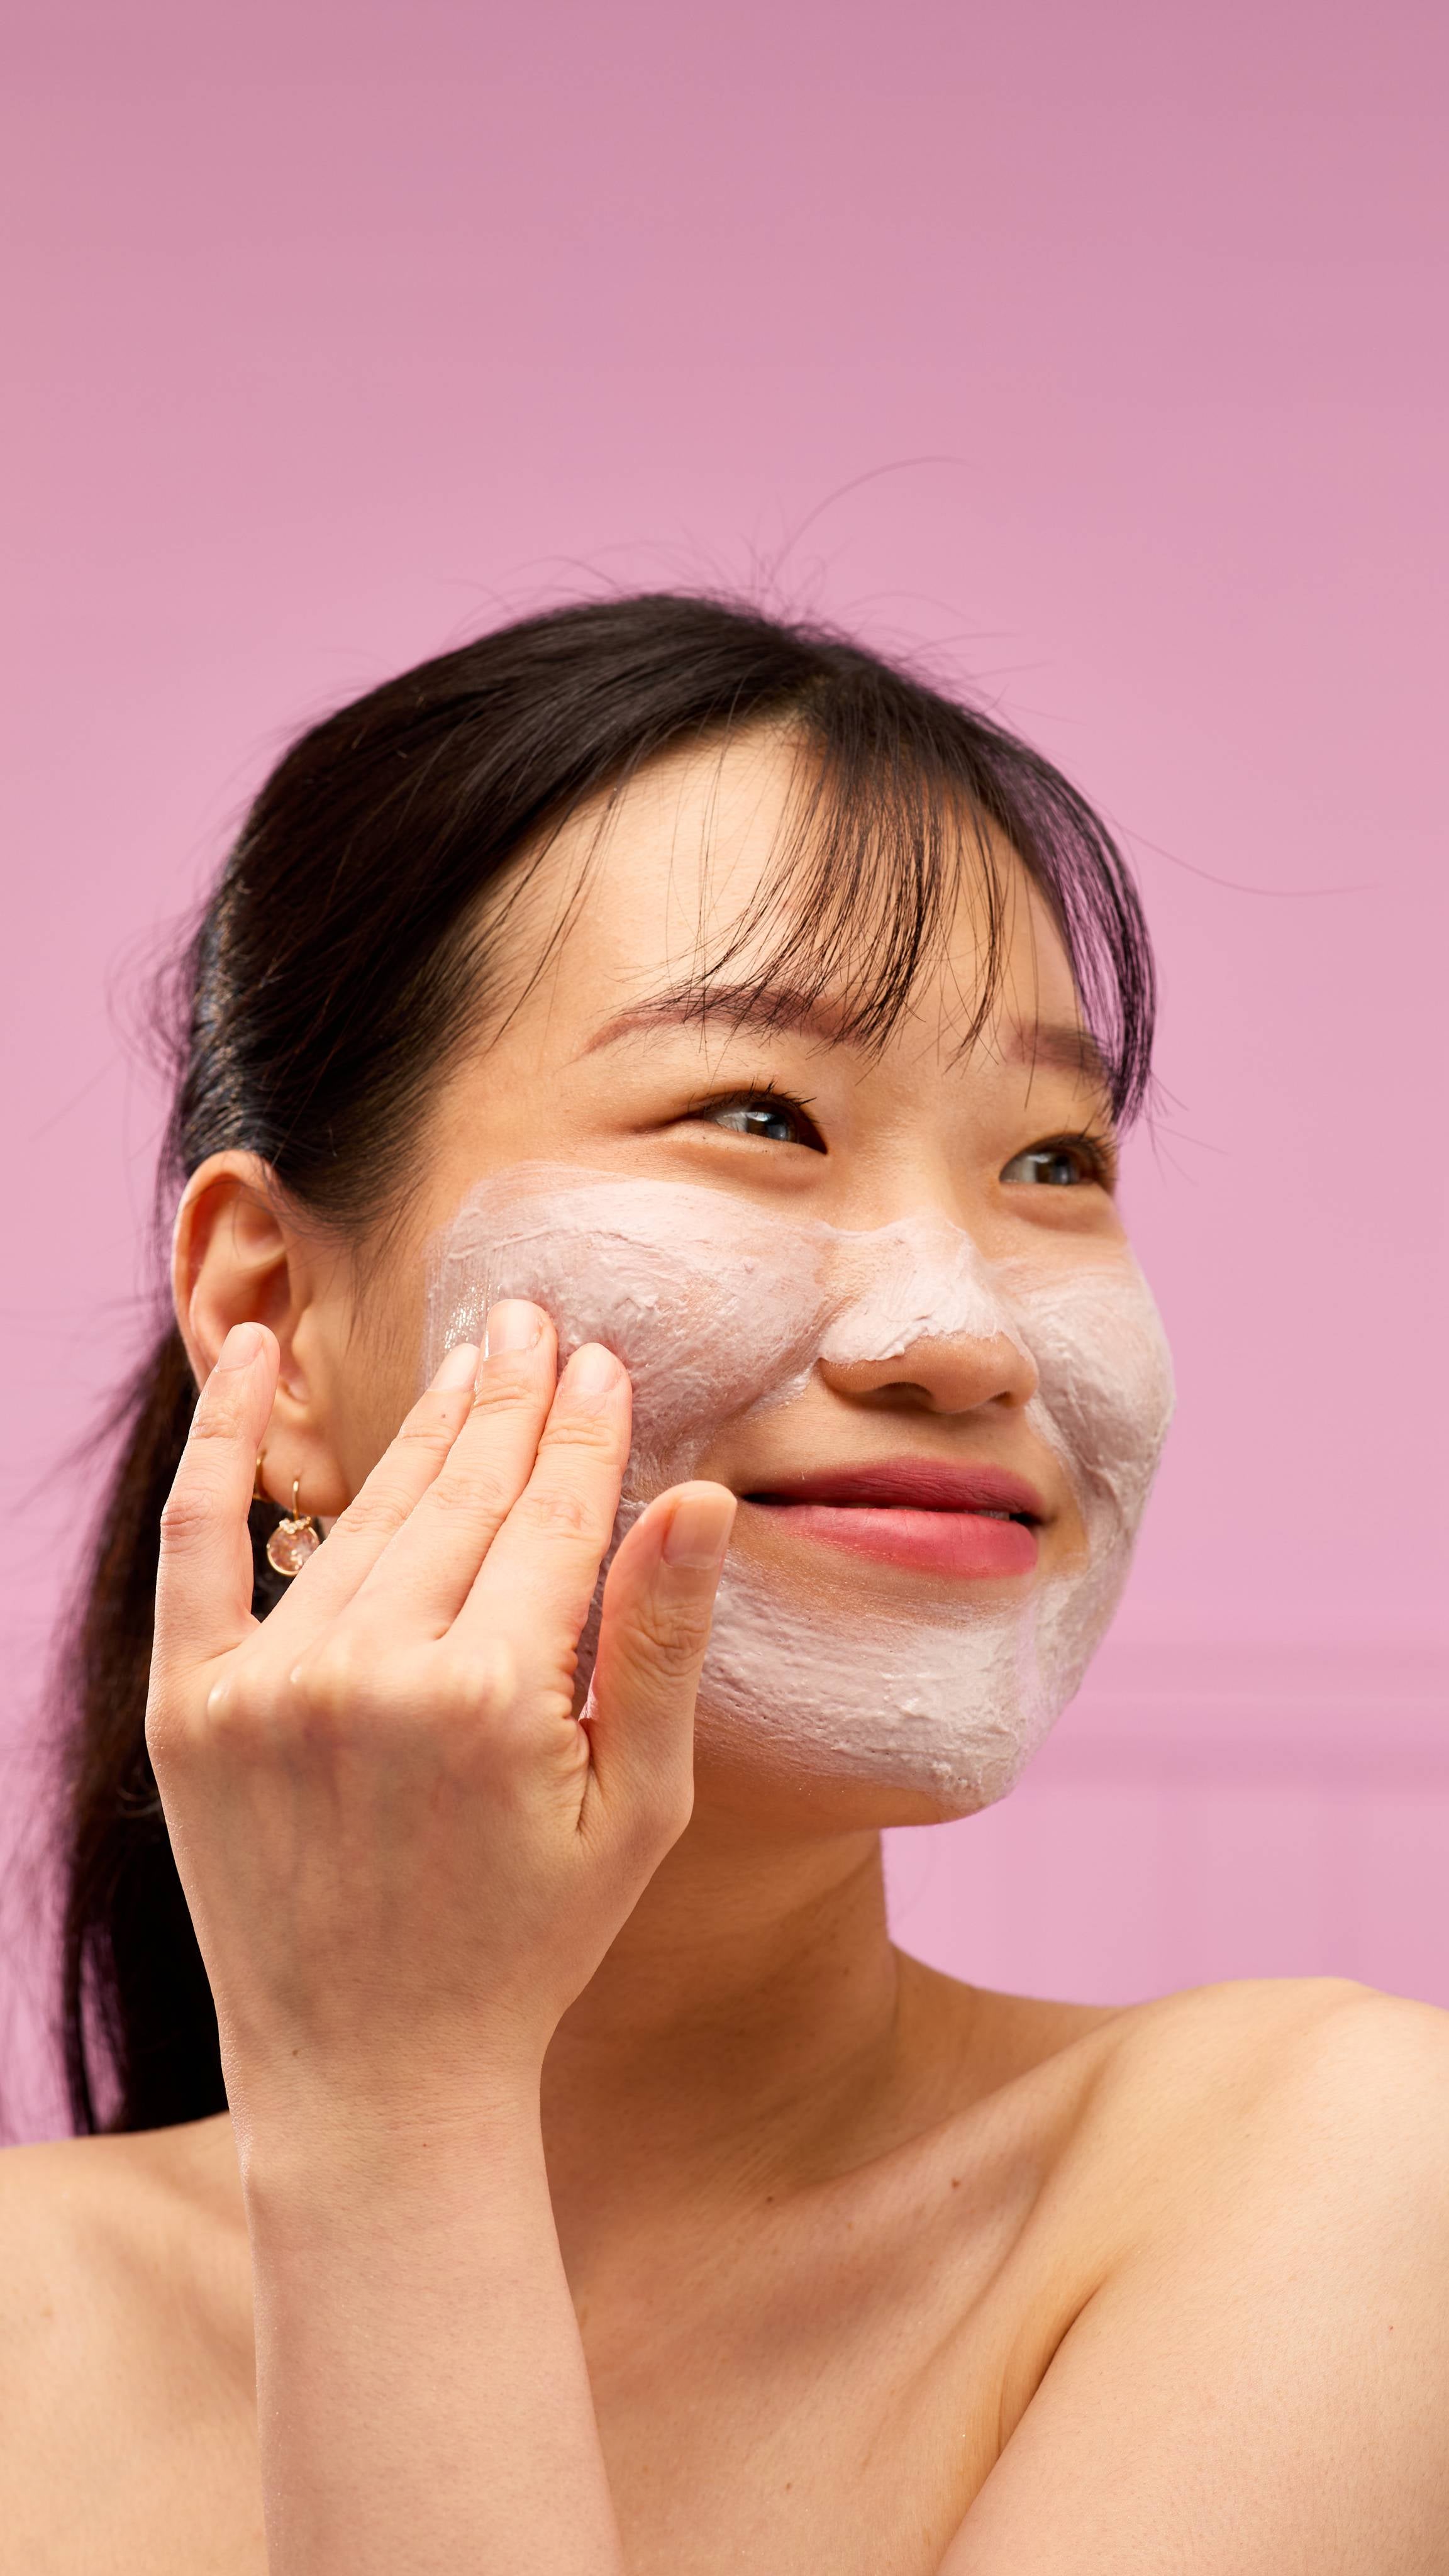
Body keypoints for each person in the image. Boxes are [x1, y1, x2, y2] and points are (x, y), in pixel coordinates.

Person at [3, 594, 1445, 2574]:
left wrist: (394, 2125)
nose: (965, 1338)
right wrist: (382, 2110)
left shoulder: (1347, 2183)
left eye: (1054, 1162)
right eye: (758, 1118)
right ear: (273, 1313)